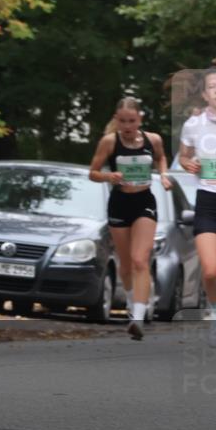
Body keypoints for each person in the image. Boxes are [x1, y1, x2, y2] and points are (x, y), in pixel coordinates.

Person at [89, 97, 172, 340]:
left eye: (132, 121)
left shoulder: (152, 139)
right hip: (120, 203)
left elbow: (160, 158)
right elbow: (92, 172)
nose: (127, 126)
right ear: (116, 120)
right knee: (125, 265)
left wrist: (164, 175)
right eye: (123, 121)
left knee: (140, 260)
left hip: (144, 202)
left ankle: (137, 317)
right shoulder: (109, 142)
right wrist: (109, 177)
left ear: (140, 119)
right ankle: (129, 297)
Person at [178, 67, 216, 352]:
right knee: (212, 271)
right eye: (212, 86)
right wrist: (187, 164)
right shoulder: (194, 124)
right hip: (208, 202)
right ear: (205, 94)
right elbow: (184, 155)